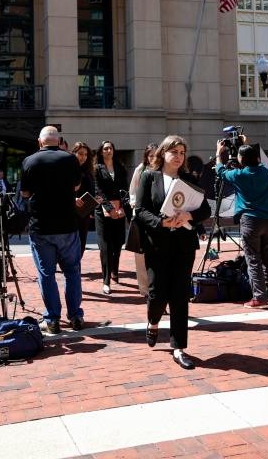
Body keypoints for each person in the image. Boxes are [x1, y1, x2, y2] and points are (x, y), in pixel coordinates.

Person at [133, 135, 211, 370]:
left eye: (182, 153)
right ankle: (153, 322)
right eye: (174, 152)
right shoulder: (149, 176)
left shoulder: (188, 178)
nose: (178, 157)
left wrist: (190, 216)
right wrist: (161, 223)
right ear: (163, 153)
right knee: (157, 294)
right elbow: (140, 211)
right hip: (157, 245)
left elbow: (204, 208)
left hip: (184, 245)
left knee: (179, 296)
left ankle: (179, 347)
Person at [21, 126, 84, 334]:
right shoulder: (70, 159)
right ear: (58, 141)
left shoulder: (29, 161)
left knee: (46, 274)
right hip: (67, 225)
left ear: (40, 142)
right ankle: (75, 316)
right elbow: (76, 187)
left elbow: (25, 193)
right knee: (72, 271)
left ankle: (52, 319)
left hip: (41, 227)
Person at [215, 142, 268, 308]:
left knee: (253, 259)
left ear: (241, 158)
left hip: (251, 221)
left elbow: (220, 171)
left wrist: (218, 152)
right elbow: (258, 162)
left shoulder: (238, 175)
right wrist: (244, 144)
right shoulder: (264, 172)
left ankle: (259, 297)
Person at [94, 140, 129, 295]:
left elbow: (125, 189)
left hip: (119, 209)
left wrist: (122, 208)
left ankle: (115, 269)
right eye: (105, 148)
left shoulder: (120, 168)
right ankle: (106, 281)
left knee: (118, 242)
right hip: (102, 212)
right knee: (106, 247)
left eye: (111, 148)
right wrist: (109, 208)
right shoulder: (97, 169)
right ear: (101, 151)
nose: (108, 151)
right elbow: (97, 191)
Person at [71, 141, 95, 258]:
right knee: (71, 245)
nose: (83, 157)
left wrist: (95, 201)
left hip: (84, 213)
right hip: (71, 213)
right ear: (74, 153)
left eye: (86, 154)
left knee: (81, 244)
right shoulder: (68, 170)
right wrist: (73, 198)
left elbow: (90, 191)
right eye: (80, 154)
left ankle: (75, 271)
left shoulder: (88, 171)